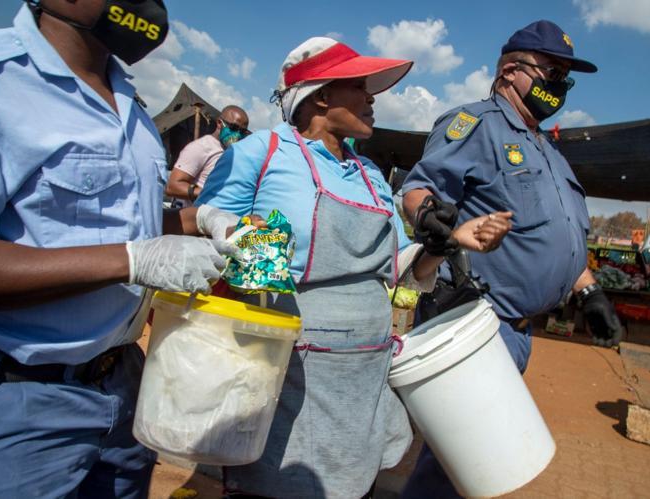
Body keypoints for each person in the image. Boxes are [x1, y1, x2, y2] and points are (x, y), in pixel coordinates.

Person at [0, 1, 242, 497]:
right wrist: (135, 260)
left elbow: (108, 222)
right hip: (20, 401)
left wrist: (195, 220)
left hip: (125, 392)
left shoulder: (131, 105)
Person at [197, 37, 511, 498]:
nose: (373, 99)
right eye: (361, 86)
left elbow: (398, 266)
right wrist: (242, 239)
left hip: (361, 384)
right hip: (286, 379)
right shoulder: (260, 155)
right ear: (320, 94)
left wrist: (445, 243)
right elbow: (208, 237)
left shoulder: (370, 176)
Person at [400, 20, 624, 497]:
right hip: (479, 320)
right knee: (456, 459)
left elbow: (560, 235)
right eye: (551, 71)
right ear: (509, 73)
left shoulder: (548, 150)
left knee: (477, 459)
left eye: (565, 75)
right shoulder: (475, 124)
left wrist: (590, 291)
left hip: (518, 331)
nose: (559, 84)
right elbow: (419, 189)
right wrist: (432, 219)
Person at [165, 105, 250, 203]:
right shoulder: (201, 147)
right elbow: (173, 187)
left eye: (243, 131)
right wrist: (211, 195)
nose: (238, 134)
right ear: (219, 123)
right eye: (234, 128)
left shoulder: (234, 153)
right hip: (197, 215)